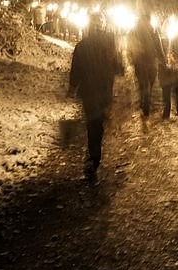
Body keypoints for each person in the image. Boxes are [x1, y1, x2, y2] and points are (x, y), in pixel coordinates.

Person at [68, 12, 124, 182]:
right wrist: (118, 68)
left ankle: (93, 156)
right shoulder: (110, 44)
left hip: (89, 91)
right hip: (104, 89)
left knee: (93, 123)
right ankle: (94, 156)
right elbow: (118, 66)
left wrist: (72, 87)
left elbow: (76, 68)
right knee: (97, 122)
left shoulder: (82, 45)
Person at [126, 11, 165, 117]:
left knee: (142, 83)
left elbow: (129, 46)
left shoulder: (134, 31)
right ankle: (146, 99)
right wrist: (162, 58)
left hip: (139, 62)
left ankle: (144, 100)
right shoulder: (154, 30)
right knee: (150, 82)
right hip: (151, 61)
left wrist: (130, 57)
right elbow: (159, 45)